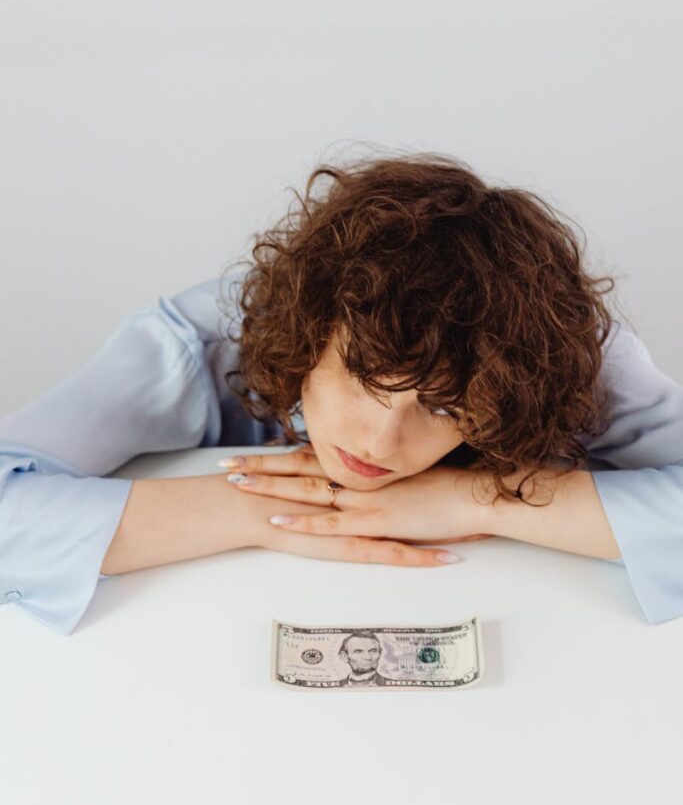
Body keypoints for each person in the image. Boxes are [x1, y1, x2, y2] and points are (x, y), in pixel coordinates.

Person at [1, 151, 682, 636]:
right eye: (362, 379)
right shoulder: (198, 336)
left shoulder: (563, 357)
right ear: (309, 329)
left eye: (444, 408)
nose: (380, 442)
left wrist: (473, 499)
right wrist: (267, 510)